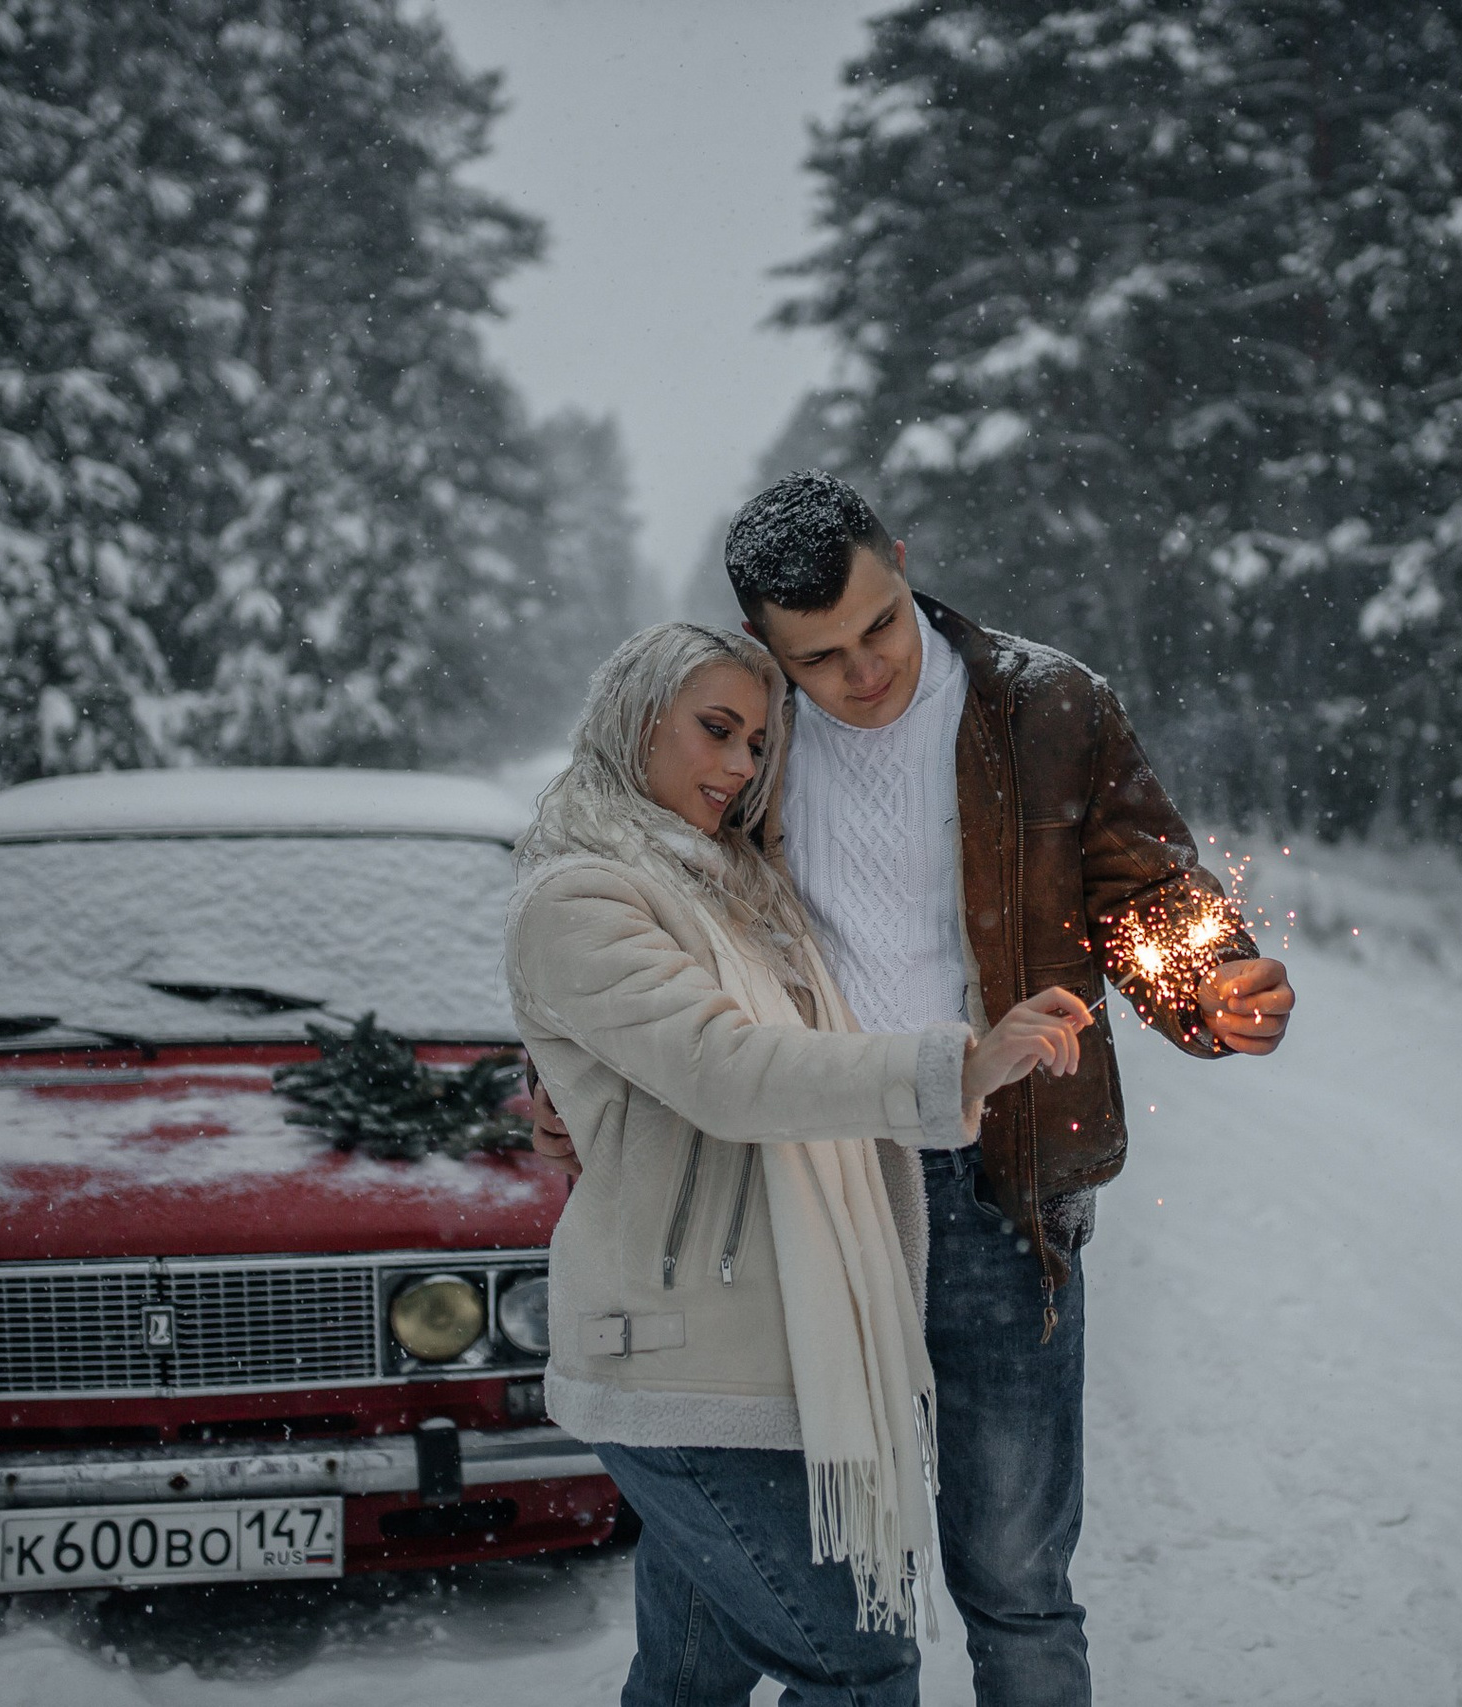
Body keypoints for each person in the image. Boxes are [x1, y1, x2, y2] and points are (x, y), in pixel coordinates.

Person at [536, 473, 1295, 1707]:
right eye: (820, 657)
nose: (864, 674)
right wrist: (564, 1070)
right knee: (762, 1569)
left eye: (878, 628)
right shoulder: (746, 734)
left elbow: (1147, 891)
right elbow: (632, 891)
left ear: (901, 560)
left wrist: (1211, 985)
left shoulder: (1046, 704)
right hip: (802, 1188)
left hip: (1003, 1189)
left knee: (1013, 1575)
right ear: (766, 649)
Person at [505, 622, 1098, 1707]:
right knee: (859, 1661)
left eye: (756, 743)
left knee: (693, 1671)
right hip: (680, 1364)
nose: (737, 767)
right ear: (637, 718)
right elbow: (729, 1070)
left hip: (755, 1348)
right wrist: (957, 1069)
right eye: (714, 731)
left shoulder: (736, 887)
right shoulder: (582, 898)